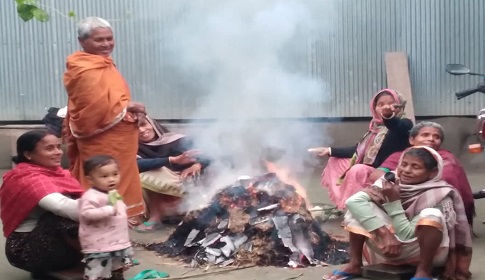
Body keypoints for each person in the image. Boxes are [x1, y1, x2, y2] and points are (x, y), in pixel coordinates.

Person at [323, 147, 472, 280]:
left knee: (432, 215)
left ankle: (424, 271)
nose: (406, 170)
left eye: (416, 167)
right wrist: (385, 234)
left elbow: (405, 235)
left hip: (424, 253)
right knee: (358, 208)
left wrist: (394, 202)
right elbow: (353, 202)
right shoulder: (390, 180)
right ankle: (355, 263)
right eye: (404, 164)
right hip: (388, 248)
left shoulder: (440, 193)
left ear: (432, 173)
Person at [63, 16, 147, 222]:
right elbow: (93, 106)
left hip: (121, 137)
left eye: (110, 38)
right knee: (100, 176)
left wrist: (132, 110)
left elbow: (112, 98)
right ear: (82, 41)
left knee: (119, 176)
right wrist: (128, 106)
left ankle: (118, 224)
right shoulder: (84, 68)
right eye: (99, 40)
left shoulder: (103, 64)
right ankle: (97, 221)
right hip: (99, 136)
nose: (106, 44)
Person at [0, 130, 84, 278]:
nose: (58, 152)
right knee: (62, 218)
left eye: (58, 147)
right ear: (28, 154)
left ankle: (67, 264)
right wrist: (110, 211)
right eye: (49, 148)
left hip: (46, 240)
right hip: (25, 249)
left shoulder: (59, 173)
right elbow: (61, 206)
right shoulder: (27, 178)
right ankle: (50, 268)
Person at [314, 89, 413, 209]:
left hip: (387, 171)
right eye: (380, 105)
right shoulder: (374, 127)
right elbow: (359, 151)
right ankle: (345, 202)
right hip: (368, 168)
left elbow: (396, 125)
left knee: (357, 169)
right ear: (374, 108)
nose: (385, 107)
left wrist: (388, 117)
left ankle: (357, 209)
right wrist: (330, 150)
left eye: (390, 103)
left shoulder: (404, 124)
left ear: (399, 105)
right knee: (335, 161)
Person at [369, 122, 475, 225]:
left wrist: (413, 185)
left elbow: (445, 178)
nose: (431, 139)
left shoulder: (445, 158)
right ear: (411, 139)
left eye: (436, 137)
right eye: (425, 135)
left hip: (431, 202)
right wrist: (400, 182)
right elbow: (377, 174)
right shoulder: (399, 156)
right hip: (396, 196)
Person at [135, 116, 211, 232]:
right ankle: (155, 218)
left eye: (144, 124)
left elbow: (209, 153)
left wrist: (197, 165)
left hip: (187, 184)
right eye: (135, 128)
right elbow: (137, 165)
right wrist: (172, 160)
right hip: (158, 188)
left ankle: (195, 213)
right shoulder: (134, 148)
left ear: (152, 124)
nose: (141, 130)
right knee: (145, 174)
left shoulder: (176, 140)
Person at [79, 155, 134, 280]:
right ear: (90, 180)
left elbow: (117, 210)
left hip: (117, 241)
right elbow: (86, 213)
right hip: (99, 244)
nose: (111, 179)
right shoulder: (91, 196)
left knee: (117, 268)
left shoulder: (112, 193)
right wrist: (108, 210)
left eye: (115, 174)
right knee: (98, 271)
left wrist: (123, 218)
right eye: (104, 176)